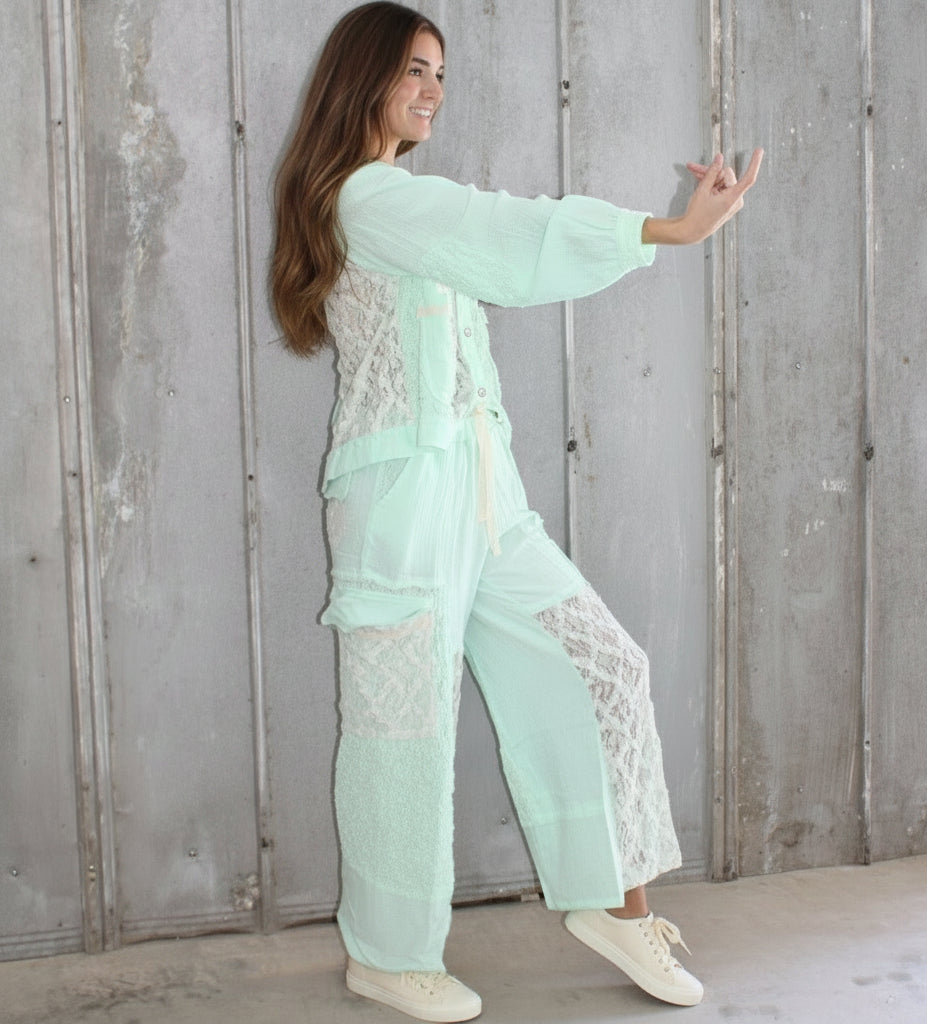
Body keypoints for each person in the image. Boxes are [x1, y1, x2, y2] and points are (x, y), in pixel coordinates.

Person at [271, 3, 762, 1020]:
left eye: (439, 72)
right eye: (413, 69)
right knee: (401, 735)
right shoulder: (372, 199)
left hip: (486, 491)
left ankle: (614, 904)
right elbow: (500, 231)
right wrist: (659, 229)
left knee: (603, 665)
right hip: (401, 499)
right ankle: (390, 953)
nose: (433, 90)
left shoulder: (393, 198)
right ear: (360, 77)